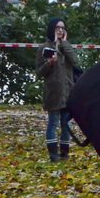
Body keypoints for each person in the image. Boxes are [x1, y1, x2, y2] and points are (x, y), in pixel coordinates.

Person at [35, 17, 79, 162]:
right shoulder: (44, 47)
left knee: (66, 125)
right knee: (53, 123)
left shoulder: (66, 46)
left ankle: (64, 154)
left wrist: (64, 44)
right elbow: (39, 72)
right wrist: (50, 63)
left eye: (62, 28)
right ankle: (53, 155)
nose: (60, 30)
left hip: (68, 91)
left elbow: (75, 62)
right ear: (52, 29)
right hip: (53, 92)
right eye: (57, 28)